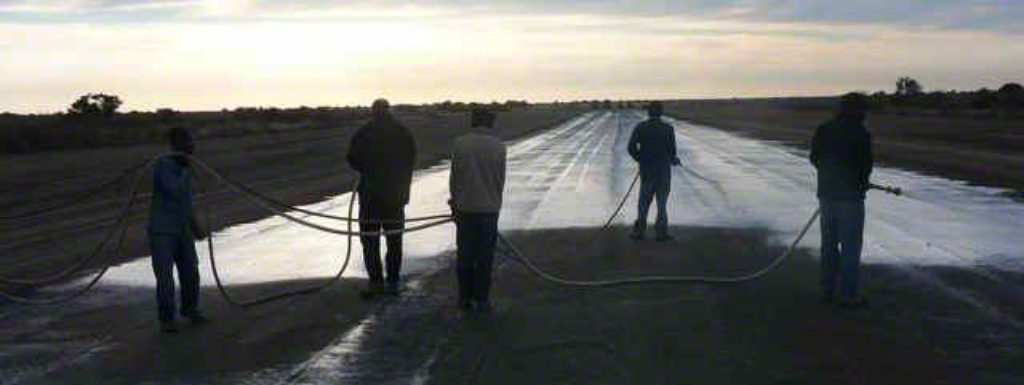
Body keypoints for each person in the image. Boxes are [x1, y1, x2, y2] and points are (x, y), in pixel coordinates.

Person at [347, 99, 416, 296]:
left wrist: (367, 169)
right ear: (389, 111)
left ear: (373, 112)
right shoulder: (402, 132)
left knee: (370, 241)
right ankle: (393, 282)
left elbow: (352, 158)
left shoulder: (364, 132)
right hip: (395, 197)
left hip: (371, 198)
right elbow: (411, 159)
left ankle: (376, 283)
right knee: (394, 241)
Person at [810, 93, 873, 308]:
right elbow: (865, 166)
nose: (865, 114)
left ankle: (826, 290)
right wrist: (860, 182)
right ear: (857, 110)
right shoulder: (861, 133)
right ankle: (849, 295)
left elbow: (815, 158)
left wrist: (830, 175)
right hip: (851, 199)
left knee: (828, 245)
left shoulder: (825, 129)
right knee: (851, 247)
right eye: (863, 110)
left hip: (827, 195)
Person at [148, 126, 208, 333]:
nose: (193, 145)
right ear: (177, 143)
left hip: (182, 229)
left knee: (191, 272)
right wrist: (184, 170)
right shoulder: (162, 164)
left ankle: (191, 309)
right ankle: (167, 319)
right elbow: (173, 191)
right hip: (162, 231)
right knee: (165, 278)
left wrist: (195, 226)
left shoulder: (184, 164)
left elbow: (185, 201)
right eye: (189, 141)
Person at [449, 108, 506, 313]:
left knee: (465, 255)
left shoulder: (460, 144)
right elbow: (500, 178)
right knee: (485, 257)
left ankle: (464, 298)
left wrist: (454, 201)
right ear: (490, 123)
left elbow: (455, 177)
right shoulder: (499, 146)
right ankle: (482, 298)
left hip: (465, 207)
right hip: (489, 209)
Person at [627, 101, 681, 241]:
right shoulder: (668, 128)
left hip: (647, 170)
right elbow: (672, 151)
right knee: (662, 202)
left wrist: (640, 159)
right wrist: (672, 159)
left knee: (644, 201)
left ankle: (639, 231)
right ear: (661, 112)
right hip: (663, 171)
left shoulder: (641, 127)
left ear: (648, 112)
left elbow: (631, 147)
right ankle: (661, 232)